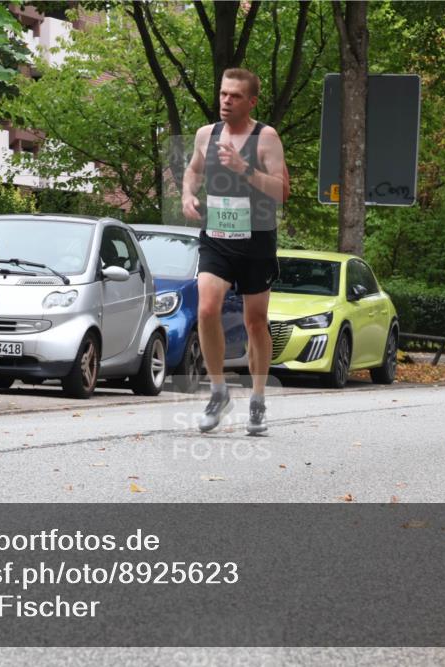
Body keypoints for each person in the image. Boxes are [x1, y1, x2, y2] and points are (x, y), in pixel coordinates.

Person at [181, 68, 287, 435]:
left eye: (235, 96)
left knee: (255, 322)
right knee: (207, 307)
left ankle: (257, 398)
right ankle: (218, 391)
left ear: (251, 101)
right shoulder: (205, 135)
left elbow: (282, 191)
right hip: (217, 236)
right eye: (223, 94)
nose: (226, 101)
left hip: (256, 238)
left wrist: (245, 170)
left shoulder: (266, 138)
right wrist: (188, 194)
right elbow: (193, 171)